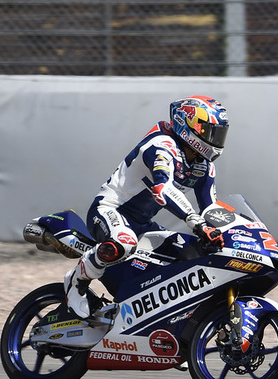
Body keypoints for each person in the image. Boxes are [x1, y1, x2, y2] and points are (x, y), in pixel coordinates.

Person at [64, 95, 228, 318]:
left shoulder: (203, 166)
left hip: (142, 223)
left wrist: (224, 232)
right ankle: (78, 280)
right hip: (109, 210)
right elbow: (163, 189)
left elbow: (211, 208)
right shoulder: (161, 146)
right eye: (211, 132)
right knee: (124, 241)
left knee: (188, 252)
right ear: (190, 126)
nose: (216, 139)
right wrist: (196, 222)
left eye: (219, 133)